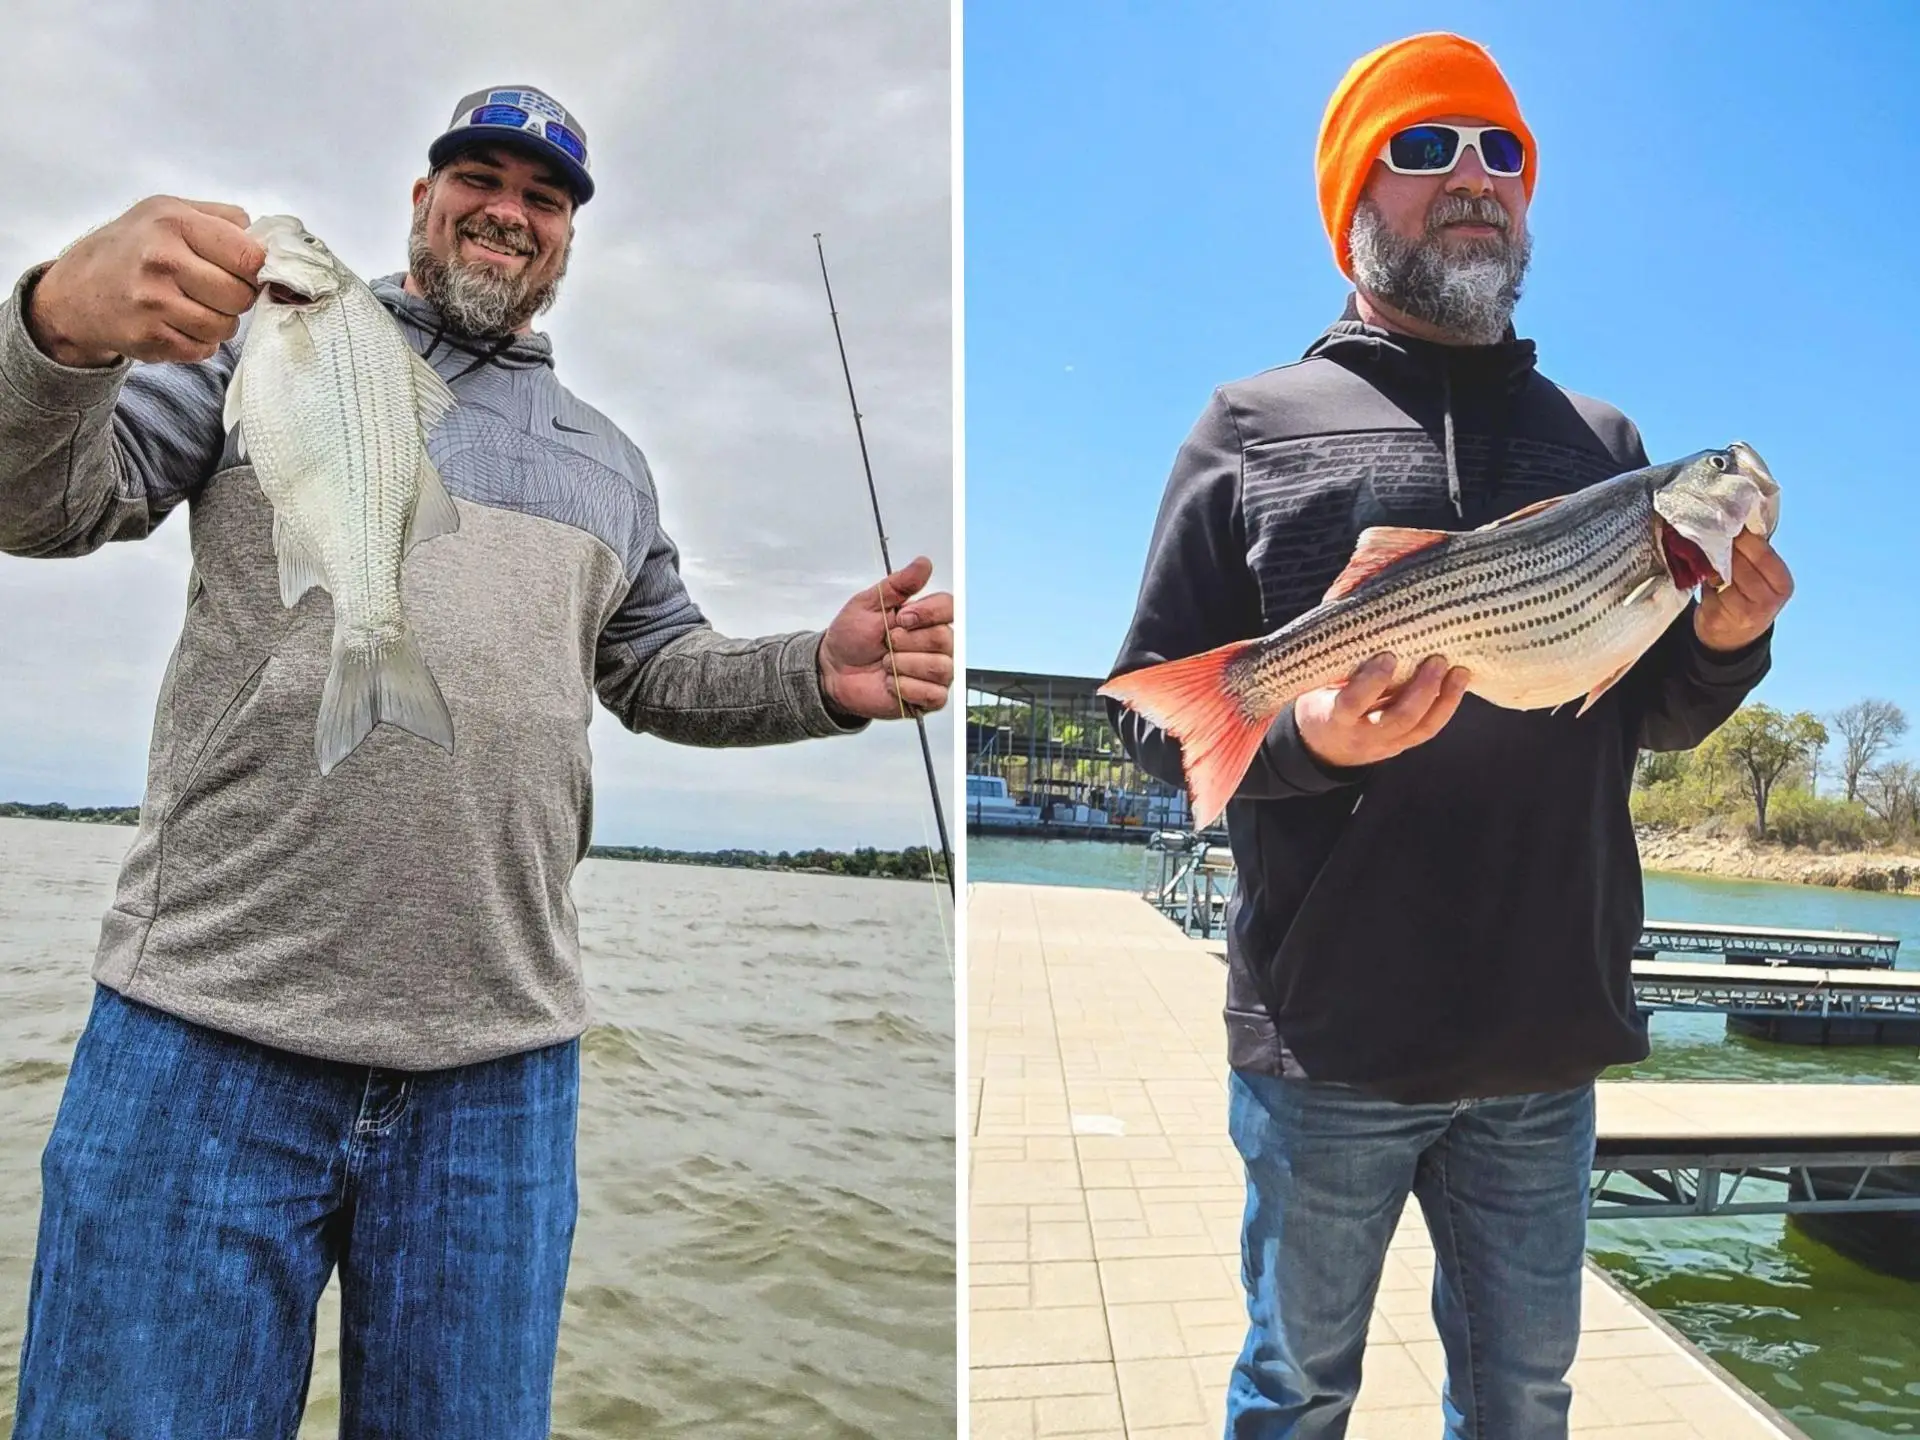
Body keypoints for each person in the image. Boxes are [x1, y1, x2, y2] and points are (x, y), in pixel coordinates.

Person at [0, 85, 953, 1439]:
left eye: (545, 195)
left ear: (566, 238)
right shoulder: (256, 352)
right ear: (421, 199)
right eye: (479, 176)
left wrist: (821, 673)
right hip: (202, 1030)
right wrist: (56, 331)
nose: (508, 208)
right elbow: (40, 500)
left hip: (500, 1072)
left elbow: (657, 667)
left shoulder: (613, 465)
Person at [1107, 34, 1792, 1440]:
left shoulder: (1607, 439)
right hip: (1331, 1038)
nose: (1474, 176)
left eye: (1502, 155)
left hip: (1549, 1034)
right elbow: (1144, 731)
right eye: (1427, 149)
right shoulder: (1250, 423)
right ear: (1356, 204)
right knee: (1295, 1393)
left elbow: (1645, 719)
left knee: (1525, 1399)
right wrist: (1306, 735)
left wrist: (1728, 644)